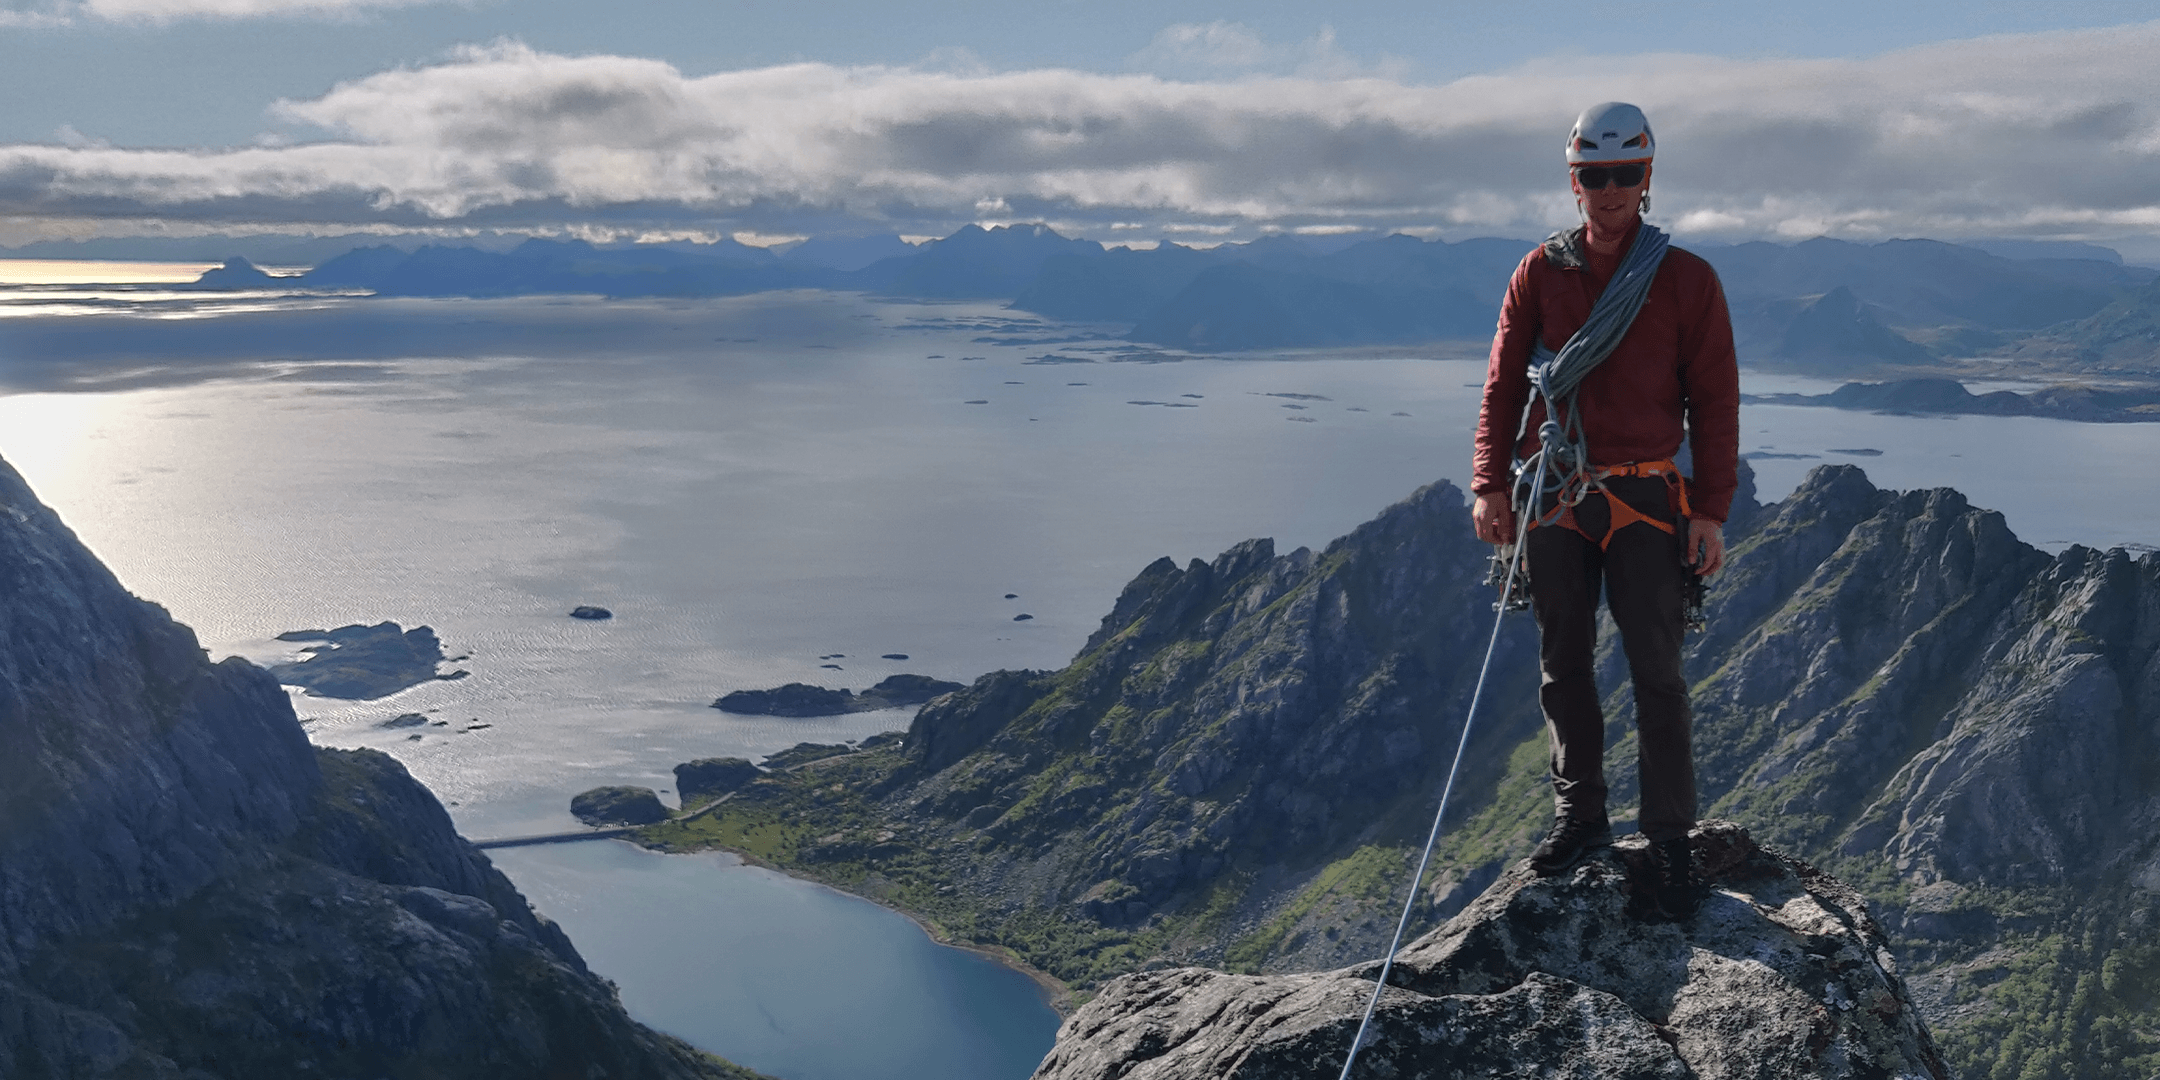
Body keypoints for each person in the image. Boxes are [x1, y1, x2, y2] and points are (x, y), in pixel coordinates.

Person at [1469, 102, 1740, 918]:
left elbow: (1715, 400)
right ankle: (1581, 815)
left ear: (1648, 178)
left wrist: (1711, 509)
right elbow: (1504, 383)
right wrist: (1489, 482)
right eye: (1596, 176)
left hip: (1650, 496)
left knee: (1657, 674)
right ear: (1574, 181)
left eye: (1626, 174)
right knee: (1564, 664)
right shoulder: (1540, 273)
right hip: (1557, 493)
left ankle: (1668, 843)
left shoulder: (1686, 279)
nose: (1611, 190)